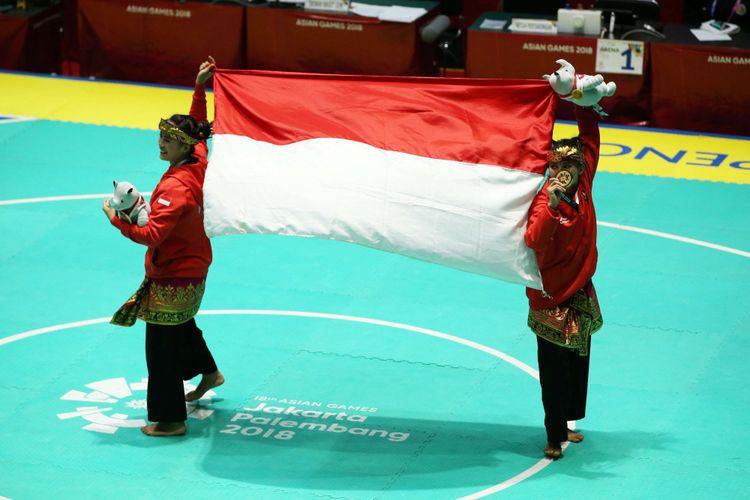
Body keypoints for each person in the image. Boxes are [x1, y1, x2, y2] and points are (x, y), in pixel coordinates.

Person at [102, 56, 224, 437]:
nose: (161, 143)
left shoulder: (175, 189)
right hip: (194, 266)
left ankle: (169, 421)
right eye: (161, 136)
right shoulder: (198, 160)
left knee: (160, 348)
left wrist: (117, 221)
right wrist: (200, 87)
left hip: (174, 273)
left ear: (181, 145)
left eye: (168, 140)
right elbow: (200, 128)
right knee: (180, 326)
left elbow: (151, 235)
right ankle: (210, 373)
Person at [523, 104, 604, 459]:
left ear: (579, 169)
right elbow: (533, 240)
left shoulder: (584, 184)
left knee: (578, 363)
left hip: (581, 290)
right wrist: (554, 208)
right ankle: (554, 436)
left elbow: (590, 139)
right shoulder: (544, 200)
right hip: (551, 297)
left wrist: (582, 104)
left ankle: (569, 423)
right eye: (555, 166)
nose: (562, 172)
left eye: (568, 166)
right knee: (553, 371)